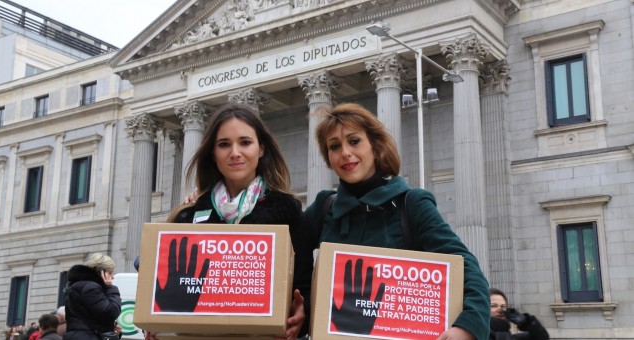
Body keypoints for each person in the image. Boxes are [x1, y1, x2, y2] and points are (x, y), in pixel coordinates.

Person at [302, 102, 490, 340]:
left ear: (376, 147)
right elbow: (289, 263)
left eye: (354, 141)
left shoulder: (411, 203)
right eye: (334, 146)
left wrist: (467, 327)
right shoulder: (323, 208)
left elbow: (466, 267)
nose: (345, 153)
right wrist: (304, 310)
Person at [146, 103, 312, 340]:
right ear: (212, 153)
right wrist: (155, 317)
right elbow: (165, 283)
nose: (235, 152)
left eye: (245, 142)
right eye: (224, 144)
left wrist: (301, 317)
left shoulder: (288, 212)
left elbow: (303, 285)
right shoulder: (189, 215)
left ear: (261, 148)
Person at [63, 253, 121, 340]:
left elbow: (93, 317)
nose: (112, 277)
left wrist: (109, 329)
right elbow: (110, 312)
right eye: (110, 273)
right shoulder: (91, 288)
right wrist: (110, 288)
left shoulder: (81, 285)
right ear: (102, 273)